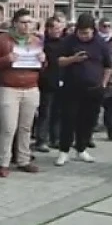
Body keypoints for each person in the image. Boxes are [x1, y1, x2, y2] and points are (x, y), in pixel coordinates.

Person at [0, 8, 44, 178]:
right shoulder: (3, 39)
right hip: (9, 88)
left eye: (30, 22)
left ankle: (23, 160)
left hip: (31, 87)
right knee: (8, 127)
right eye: (23, 22)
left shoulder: (36, 41)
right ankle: (4, 162)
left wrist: (44, 60)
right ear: (15, 23)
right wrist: (6, 59)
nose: (27, 25)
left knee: (26, 127)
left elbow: (42, 66)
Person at [55, 13, 112, 166]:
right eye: (81, 33)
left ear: (93, 30)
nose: (84, 36)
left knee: (88, 121)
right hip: (71, 88)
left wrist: (104, 84)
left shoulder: (101, 43)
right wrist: (73, 59)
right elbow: (59, 61)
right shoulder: (68, 41)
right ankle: (64, 151)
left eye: (87, 33)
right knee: (68, 119)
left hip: (94, 89)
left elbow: (108, 66)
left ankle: (81, 148)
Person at [38, 17, 65, 151]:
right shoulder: (42, 44)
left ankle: (56, 138)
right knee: (45, 112)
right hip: (46, 82)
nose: (58, 31)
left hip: (61, 81)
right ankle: (42, 140)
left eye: (60, 28)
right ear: (48, 29)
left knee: (58, 112)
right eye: (55, 28)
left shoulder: (64, 43)